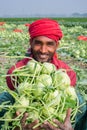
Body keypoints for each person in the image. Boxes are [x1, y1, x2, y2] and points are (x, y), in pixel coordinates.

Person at [0, 18, 87, 130]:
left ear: (57, 45)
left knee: (80, 101)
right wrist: (15, 126)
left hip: (55, 119)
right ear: (31, 43)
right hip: (28, 119)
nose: (43, 50)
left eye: (49, 44)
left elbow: (68, 102)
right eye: (38, 43)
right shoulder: (17, 72)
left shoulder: (67, 73)